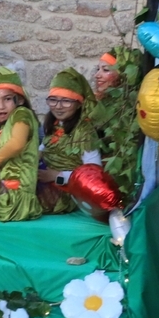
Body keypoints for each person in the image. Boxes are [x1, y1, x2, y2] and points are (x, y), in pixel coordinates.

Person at [0, 67, 42, 223]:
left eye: (7, 99)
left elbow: (17, 144)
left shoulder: (22, 113)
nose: (0, 106)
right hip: (3, 190)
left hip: (15, 198)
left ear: (19, 100)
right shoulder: (5, 124)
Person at [37, 68, 102, 214]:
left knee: (14, 201)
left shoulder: (85, 133)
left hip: (65, 193)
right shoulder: (52, 125)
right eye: (53, 100)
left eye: (66, 101)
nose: (58, 106)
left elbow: (93, 175)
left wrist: (57, 176)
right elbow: (43, 148)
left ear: (79, 103)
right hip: (43, 182)